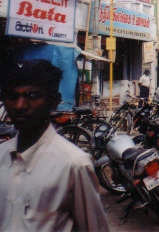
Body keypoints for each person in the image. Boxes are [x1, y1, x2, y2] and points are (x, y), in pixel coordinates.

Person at [0, 60, 109, 231]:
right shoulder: (2, 155)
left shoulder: (74, 164)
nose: (20, 106)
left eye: (32, 96)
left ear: (54, 101)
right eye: (13, 97)